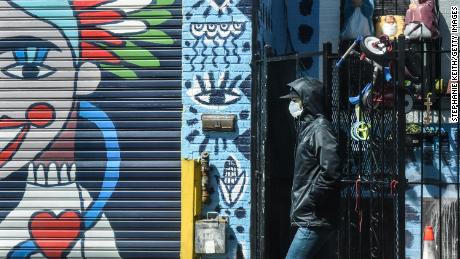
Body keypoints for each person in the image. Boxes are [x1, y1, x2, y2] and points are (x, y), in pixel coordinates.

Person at [281, 77, 342, 259]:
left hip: (314, 218)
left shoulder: (320, 129)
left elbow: (331, 169)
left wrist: (313, 198)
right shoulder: (308, 128)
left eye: (294, 100)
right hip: (312, 216)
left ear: (307, 99)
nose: (291, 104)